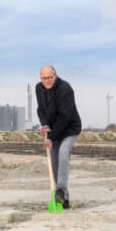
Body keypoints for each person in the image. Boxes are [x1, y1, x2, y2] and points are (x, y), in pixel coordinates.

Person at [36, 65, 81, 209]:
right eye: (44, 78)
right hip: (53, 129)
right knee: (54, 162)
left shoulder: (65, 89)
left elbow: (64, 117)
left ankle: (60, 189)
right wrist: (44, 125)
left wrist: (51, 136)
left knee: (63, 153)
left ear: (55, 75)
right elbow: (41, 110)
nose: (47, 81)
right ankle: (64, 199)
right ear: (40, 78)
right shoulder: (39, 88)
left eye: (50, 77)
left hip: (69, 128)